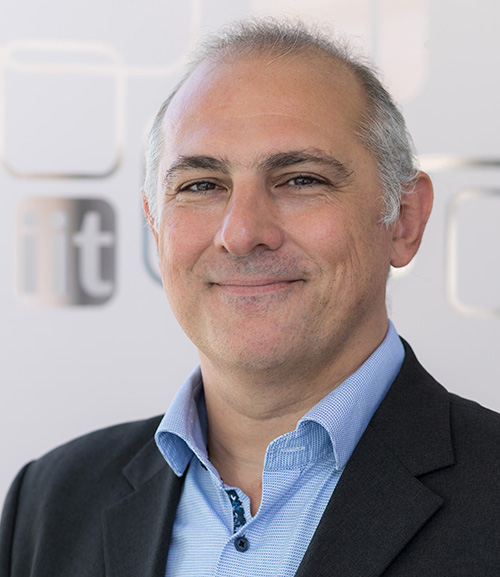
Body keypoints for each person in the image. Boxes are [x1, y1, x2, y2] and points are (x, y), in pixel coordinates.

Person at [2, 17, 500, 577]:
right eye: (201, 185)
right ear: (156, 226)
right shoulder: (50, 502)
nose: (241, 233)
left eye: (301, 179)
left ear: (404, 219)